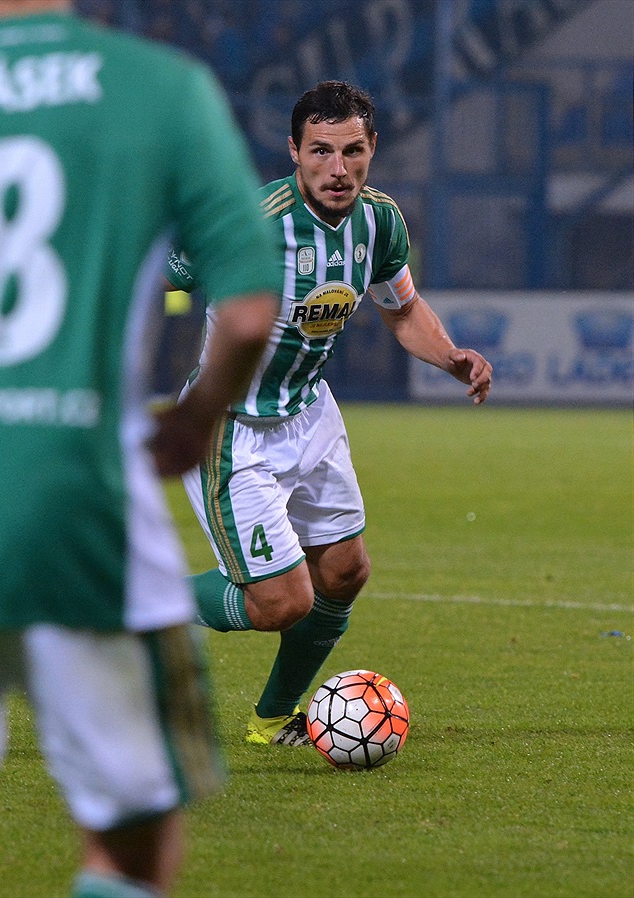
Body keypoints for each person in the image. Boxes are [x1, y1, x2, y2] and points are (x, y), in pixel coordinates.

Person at [0, 2, 279, 897]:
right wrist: (197, 417)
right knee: (132, 845)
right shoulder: (159, 90)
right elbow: (246, 311)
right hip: (79, 514)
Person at [164, 80, 493, 747]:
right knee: (282, 603)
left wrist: (450, 354)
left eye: (351, 151)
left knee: (345, 570)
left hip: (311, 414)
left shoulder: (381, 222)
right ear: (295, 151)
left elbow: (401, 310)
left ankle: (268, 723)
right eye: (320, 151)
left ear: (373, 149)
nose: (337, 169)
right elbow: (158, 267)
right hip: (234, 428)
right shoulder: (255, 222)